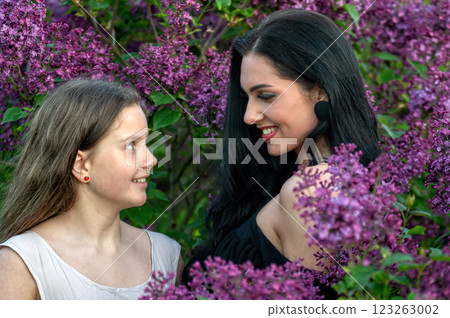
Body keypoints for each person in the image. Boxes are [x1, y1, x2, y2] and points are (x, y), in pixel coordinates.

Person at [182, 9, 381, 298]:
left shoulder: (311, 191)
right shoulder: (298, 177)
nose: (249, 116)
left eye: (265, 95)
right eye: (246, 97)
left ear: (321, 91)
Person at [0, 80, 183, 300]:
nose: (152, 160)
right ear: (81, 165)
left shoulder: (166, 256)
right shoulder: (21, 264)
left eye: (147, 143)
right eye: (130, 146)